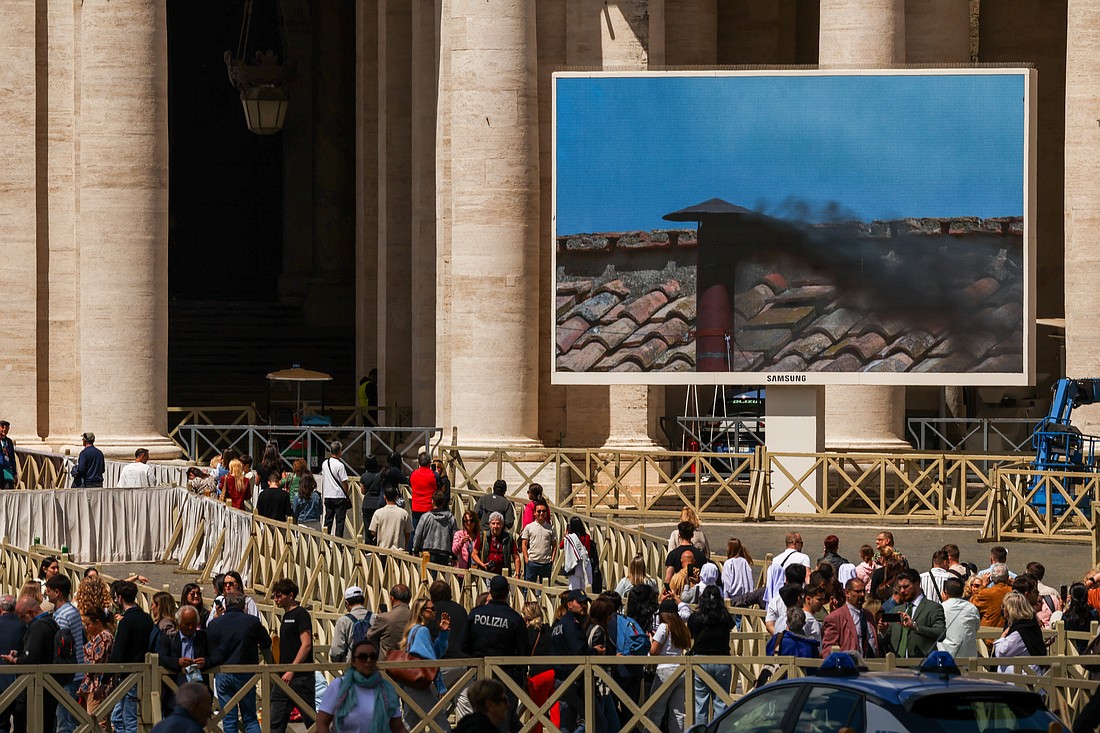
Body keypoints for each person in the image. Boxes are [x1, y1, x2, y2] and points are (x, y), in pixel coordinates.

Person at [206, 591, 273, 733]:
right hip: (246, 673)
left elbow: (210, 650)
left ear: (226, 604)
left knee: (229, 719)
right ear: (243, 605)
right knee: (250, 718)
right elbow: (266, 642)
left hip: (223, 673)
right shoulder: (252, 622)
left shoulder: (215, 624)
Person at [316, 639, 405, 733]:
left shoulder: (387, 689)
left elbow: (398, 728)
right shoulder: (339, 686)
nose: (368, 660)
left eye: (373, 656)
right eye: (363, 657)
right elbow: (322, 723)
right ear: (353, 661)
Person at [2, 596, 60, 732]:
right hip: (48, 686)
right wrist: (20, 653)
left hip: (36, 689)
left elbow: (30, 660)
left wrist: (14, 660)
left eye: (22, 617)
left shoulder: (38, 626)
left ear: (31, 613)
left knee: (28, 725)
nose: (21, 621)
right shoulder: (51, 622)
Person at [398, 596, 451, 732]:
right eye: (432, 609)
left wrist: (443, 633)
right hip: (418, 685)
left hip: (411, 683)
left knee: (411, 723)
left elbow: (433, 653)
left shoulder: (415, 629)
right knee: (439, 721)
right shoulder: (422, 631)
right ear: (422, 612)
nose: (435, 611)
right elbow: (431, 659)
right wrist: (440, 686)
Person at [109, 580, 155, 733]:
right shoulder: (147, 618)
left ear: (120, 598)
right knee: (121, 718)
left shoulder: (126, 621)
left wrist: (105, 679)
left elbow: (118, 652)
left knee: (129, 721)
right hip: (144, 674)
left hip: (129, 676)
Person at [269, 578, 315, 733]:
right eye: (275, 596)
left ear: (291, 595)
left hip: (301, 677)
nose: (276, 599)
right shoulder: (284, 616)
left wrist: (292, 670)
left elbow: (306, 644)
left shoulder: (301, 614)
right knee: (276, 720)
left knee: (311, 720)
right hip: (284, 676)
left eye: (279, 596)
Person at [688, 585, 734, 725]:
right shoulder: (725, 617)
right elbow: (731, 625)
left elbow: (691, 632)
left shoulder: (696, 618)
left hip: (700, 662)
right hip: (722, 660)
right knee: (721, 704)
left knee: (700, 705)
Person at [45, 575, 85, 733]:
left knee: (63, 722)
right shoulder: (73, 611)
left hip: (67, 674)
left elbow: (59, 647)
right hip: (78, 670)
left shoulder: (62, 616)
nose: (46, 594)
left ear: (57, 592)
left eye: (48, 591)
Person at [548, 590, 590, 733]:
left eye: (585, 602)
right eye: (580, 602)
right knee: (594, 720)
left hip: (560, 678)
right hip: (572, 679)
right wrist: (596, 651)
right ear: (569, 604)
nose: (584, 605)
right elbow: (579, 651)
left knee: (567, 722)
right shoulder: (571, 624)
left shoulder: (558, 625)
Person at [648, 598, 691, 733]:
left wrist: (651, 640)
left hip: (665, 670)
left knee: (656, 710)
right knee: (677, 712)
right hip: (680, 670)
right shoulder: (681, 627)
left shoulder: (663, 627)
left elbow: (653, 651)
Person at [157, 605, 210, 714]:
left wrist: (205, 661)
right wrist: (177, 662)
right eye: (187, 624)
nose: (190, 627)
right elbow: (161, 658)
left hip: (198, 690)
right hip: (174, 691)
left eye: (193, 624)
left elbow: (215, 656)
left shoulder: (204, 637)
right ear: (178, 623)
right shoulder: (168, 638)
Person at [883, 568, 946, 658]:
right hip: (897, 667)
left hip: (921, 665)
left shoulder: (933, 608)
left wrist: (915, 627)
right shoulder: (896, 610)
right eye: (900, 587)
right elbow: (886, 638)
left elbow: (941, 634)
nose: (902, 591)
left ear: (917, 584)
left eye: (905, 587)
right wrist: (883, 631)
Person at [584, 594, 621, 733]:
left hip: (597, 683)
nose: (611, 617)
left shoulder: (588, 627)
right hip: (600, 684)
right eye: (609, 614)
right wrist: (613, 657)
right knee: (609, 724)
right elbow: (599, 656)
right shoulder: (599, 631)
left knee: (602, 723)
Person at [820, 578, 878, 658]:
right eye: (857, 591)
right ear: (847, 593)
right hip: (849, 666)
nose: (862, 595)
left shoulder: (868, 616)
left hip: (873, 666)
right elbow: (828, 648)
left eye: (863, 591)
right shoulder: (835, 618)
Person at [994, 591, 1047, 674]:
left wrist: (1003, 636)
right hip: (1030, 675)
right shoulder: (1030, 624)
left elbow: (1001, 653)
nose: (1002, 609)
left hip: (1022, 681)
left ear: (1010, 609)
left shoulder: (1020, 631)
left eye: (1004, 606)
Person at [78, 606, 114, 722]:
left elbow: (93, 661)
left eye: (88, 624)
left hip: (98, 686)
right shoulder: (98, 637)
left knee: (96, 721)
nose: (86, 627)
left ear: (97, 623)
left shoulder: (104, 637)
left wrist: (81, 656)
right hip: (92, 685)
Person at [412, 489, 458, 565]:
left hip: (428, 551)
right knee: (441, 576)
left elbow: (418, 534)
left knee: (428, 576)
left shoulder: (426, 517)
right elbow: (454, 536)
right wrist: (454, 556)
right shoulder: (450, 518)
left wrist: (415, 549)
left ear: (432, 501)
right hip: (444, 552)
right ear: (443, 502)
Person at [937, 577, 980, 658]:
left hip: (945, 657)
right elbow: (976, 627)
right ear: (962, 591)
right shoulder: (972, 608)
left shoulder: (940, 608)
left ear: (945, 591)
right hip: (968, 657)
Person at [367, 584, 412, 659]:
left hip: (388, 665)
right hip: (410, 664)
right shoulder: (416, 618)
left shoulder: (384, 618)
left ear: (392, 599)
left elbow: (370, 636)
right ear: (409, 599)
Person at [763, 532, 810, 602]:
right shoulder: (804, 558)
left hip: (779, 596)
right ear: (795, 543)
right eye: (801, 543)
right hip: (797, 597)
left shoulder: (776, 559)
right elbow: (807, 577)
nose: (802, 545)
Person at [0, 595, 23, 732]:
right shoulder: (23, 624)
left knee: (1, 724)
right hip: (20, 681)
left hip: (1, 681)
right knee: (21, 724)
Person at [331, 586, 372, 664]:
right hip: (372, 667)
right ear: (363, 601)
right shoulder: (375, 617)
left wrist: (337, 662)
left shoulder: (343, 621)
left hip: (352, 667)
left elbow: (336, 649)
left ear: (347, 603)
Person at [473, 511, 521, 577]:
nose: (495, 526)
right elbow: (474, 554)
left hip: (503, 575)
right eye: (493, 523)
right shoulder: (483, 536)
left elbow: (516, 557)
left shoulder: (508, 538)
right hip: (486, 573)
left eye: (498, 523)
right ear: (489, 525)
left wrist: (517, 574)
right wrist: (482, 564)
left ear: (502, 525)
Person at [520, 500, 556, 586]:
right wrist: (526, 559)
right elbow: (524, 544)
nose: (541, 513)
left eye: (543, 511)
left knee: (545, 589)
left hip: (546, 563)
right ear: (535, 513)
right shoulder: (529, 527)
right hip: (532, 562)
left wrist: (552, 560)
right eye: (539, 511)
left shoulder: (551, 528)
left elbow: (554, 546)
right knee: (529, 589)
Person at [321, 441, 352, 537]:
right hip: (339, 496)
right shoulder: (340, 465)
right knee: (340, 522)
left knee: (328, 520)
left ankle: (325, 543)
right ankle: (338, 545)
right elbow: (344, 482)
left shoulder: (325, 463)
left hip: (328, 495)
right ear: (340, 452)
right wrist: (347, 495)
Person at [971, 563, 1013, 633]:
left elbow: (972, 604)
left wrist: (983, 585)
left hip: (989, 635)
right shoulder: (1013, 591)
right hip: (1008, 634)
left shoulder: (986, 593)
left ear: (992, 578)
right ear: (1007, 577)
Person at [664, 521, 709, 585]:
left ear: (679, 535)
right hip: (695, 590)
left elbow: (667, 579)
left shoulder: (673, 554)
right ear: (692, 535)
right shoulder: (700, 554)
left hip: (678, 589)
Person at [370, 485, 414, 551]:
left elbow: (373, 531)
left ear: (384, 497)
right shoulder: (404, 513)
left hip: (383, 549)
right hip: (399, 551)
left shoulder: (378, 513)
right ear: (396, 497)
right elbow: (408, 532)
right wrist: (405, 546)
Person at [562, 517, 595, 591]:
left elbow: (561, 546)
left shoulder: (569, 537)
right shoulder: (587, 536)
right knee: (585, 587)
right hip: (585, 563)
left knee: (574, 588)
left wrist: (565, 536)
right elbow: (588, 550)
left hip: (574, 565)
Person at [409, 451, 438, 535]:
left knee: (415, 532)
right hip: (428, 507)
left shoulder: (413, 474)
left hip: (416, 507)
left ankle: (412, 547)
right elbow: (435, 488)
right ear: (429, 462)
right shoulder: (432, 475)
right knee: (428, 533)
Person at [1064, 583, 1098, 652]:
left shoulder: (1067, 617)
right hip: (1090, 651)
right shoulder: (1093, 614)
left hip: (1072, 653)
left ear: (1071, 598)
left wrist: (1065, 609)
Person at [359, 455, 385, 542]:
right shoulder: (380, 476)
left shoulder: (364, 476)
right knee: (379, 528)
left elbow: (362, 491)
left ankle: (368, 549)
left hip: (367, 504)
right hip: (378, 504)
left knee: (368, 527)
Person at [0, 420, 17, 489]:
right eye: (2, 427)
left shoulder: (9, 442)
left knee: (8, 491)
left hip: (7, 471)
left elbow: (12, 458)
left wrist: (15, 473)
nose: (4, 429)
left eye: (6, 428)